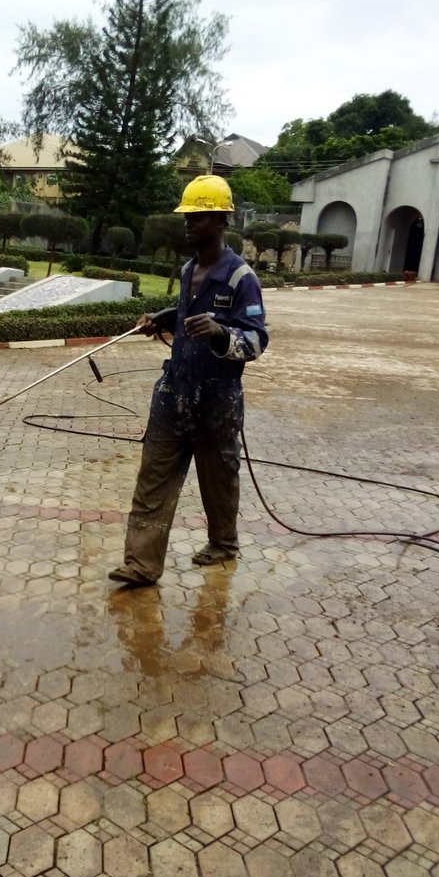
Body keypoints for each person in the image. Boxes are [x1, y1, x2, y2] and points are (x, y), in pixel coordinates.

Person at [108, 175, 268, 587]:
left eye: (197, 218)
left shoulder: (240, 278)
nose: (187, 225)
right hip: (174, 391)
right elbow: (185, 317)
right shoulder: (188, 269)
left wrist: (220, 333)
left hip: (217, 398)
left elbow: (255, 341)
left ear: (220, 220)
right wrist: (164, 319)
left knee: (218, 477)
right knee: (153, 478)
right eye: (187, 217)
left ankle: (223, 544)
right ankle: (141, 564)